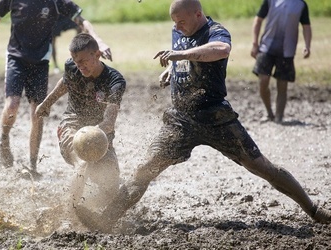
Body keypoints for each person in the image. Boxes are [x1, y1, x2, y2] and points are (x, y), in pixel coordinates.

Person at [74, 0, 331, 233]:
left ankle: (314, 210)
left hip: (214, 116)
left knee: (262, 167)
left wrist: (181, 56)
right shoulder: (179, 30)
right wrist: (174, 70)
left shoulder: (216, 32)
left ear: (198, 14)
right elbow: (185, 57)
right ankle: (105, 219)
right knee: (145, 170)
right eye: (174, 23)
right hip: (180, 120)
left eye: (182, 22)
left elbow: (219, 50)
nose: (177, 27)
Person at [0, 0, 112, 177]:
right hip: (16, 58)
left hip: (40, 62)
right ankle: (4, 139)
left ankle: (32, 166)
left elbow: (82, 21)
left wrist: (98, 40)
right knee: (12, 106)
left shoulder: (56, 2)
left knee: (37, 114)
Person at [35, 33, 126, 213]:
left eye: (84, 61)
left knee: (111, 188)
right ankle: (72, 212)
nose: (79, 66)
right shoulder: (72, 67)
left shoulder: (115, 81)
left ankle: (77, 208)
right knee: (83, 162)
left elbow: (108, 123)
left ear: (97, 55)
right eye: (76, 61)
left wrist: (91, 135)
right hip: (72, 123)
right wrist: (46, 103)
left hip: (101, 133)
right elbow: (65, 83)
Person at [251, 0, 312, 123]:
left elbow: (306, 27)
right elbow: (258, 20)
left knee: (282, 86)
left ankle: (279, 118)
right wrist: (254, 44)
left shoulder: (301, 4)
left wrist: (307, 46)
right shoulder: (271, 1)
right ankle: (269, 113)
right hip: (266, 48)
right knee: (263, 81)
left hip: (287, 51)